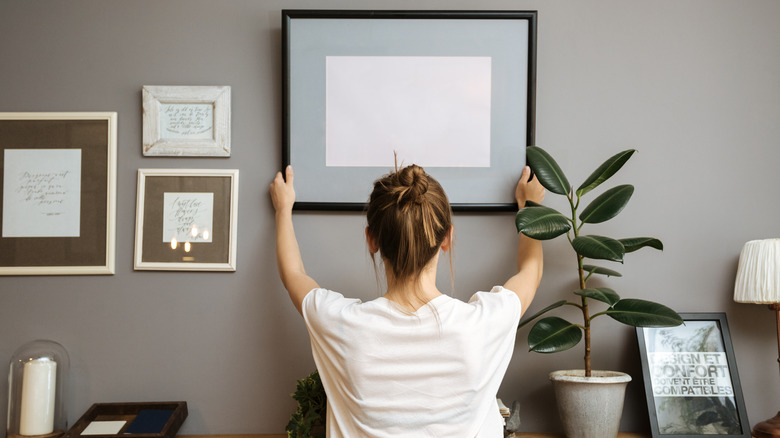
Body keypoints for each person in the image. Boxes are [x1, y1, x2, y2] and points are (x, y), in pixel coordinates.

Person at [270, 164, 545, 437]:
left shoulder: (339, 324)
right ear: (448, 237)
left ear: (371, 240)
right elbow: (530, 273)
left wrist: (283, 210)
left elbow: (293, 274)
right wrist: (529, 205)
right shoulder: (483, 324)